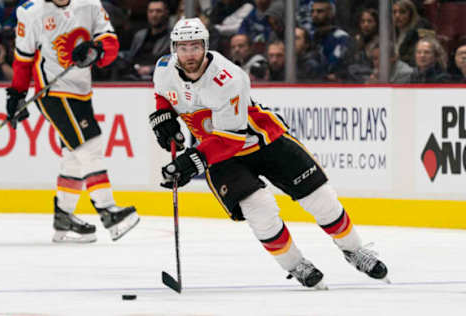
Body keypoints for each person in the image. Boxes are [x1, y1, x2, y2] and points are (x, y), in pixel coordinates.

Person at [149, 18, 389, 289]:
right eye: (182, 47)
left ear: (205, 46)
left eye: (195, 46)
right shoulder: (163, 69)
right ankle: (295, 264)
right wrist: (162, 116)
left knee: (321, 199)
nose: (189, 54)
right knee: (259, 209)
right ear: (173, 49)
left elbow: (231, 138)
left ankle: (354, 250)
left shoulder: (229, 78)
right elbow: (164, 96)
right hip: (219, 156)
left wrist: (192, 161)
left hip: (262, 140)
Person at [6, 0, 139, 243]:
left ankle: (64, 218)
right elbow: (23, 58)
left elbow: (110, 40)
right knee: (89, 145)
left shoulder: (89, 4)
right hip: (53, 91)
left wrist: (97, 49)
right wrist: (16, 94)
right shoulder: (31, 12)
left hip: (81, 91)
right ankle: (107, 209)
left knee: (73, 153)